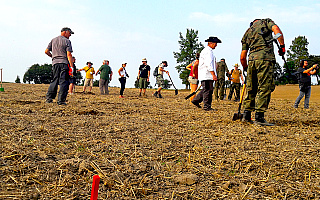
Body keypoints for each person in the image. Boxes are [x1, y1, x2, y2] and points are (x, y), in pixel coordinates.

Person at [240, 18, 285, 126]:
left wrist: (245, 67)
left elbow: (242, 57)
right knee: (264, 87)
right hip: (265, 59)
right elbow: (276, 29)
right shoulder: (265, 22)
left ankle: (246, 115)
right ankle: (259, 117)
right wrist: (282, 46)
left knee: (251, 87)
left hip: (251, 60)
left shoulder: (247, 32)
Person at [45, 27, 74, 105]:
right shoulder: (67, 41)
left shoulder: (53, 40)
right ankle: (61, 101)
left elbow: (46, 51)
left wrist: (53, 57)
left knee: (54, 80)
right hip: (64, 63)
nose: (70, 35)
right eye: (69, 33)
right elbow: (69, 54)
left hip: (55, 63)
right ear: (65, 32)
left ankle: (49, 98)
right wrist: (71, 66)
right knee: (63, 82)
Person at [191, 36, 220, 111]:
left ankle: (196, 100)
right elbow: (208, 63)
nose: (216, 45)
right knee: (208, 91)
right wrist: (213, 74)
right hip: (207, 74)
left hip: (206, 74)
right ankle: (207, 106)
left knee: (206, 89)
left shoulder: (207, 51)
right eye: (215, 43)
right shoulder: (208, 51)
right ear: (211, 43)